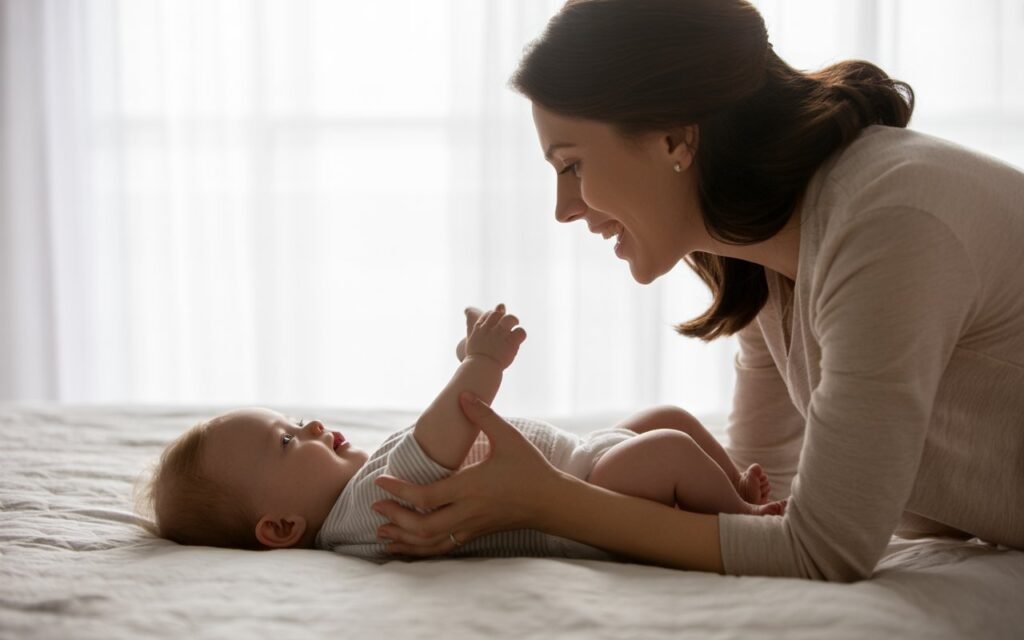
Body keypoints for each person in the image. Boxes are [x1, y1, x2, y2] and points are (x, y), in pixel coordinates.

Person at [369, 0, 1024, 581]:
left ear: (676, 138)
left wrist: (549, 499)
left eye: (572, 165)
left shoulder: (888, 224)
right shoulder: (772, 259)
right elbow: (769, 505)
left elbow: (821, 550)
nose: (564, 209)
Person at [143, 304, 784, 557]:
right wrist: (479, 364)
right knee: (668, 448)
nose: (310, 424)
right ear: (280, 527)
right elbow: (439, 436)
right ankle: (745, 521)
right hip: (589, 491)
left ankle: (735, 488)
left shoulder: (362, 488)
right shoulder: (365, 513)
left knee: (668, 418)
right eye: (286, 441)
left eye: (291, 420)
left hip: (582, 460)